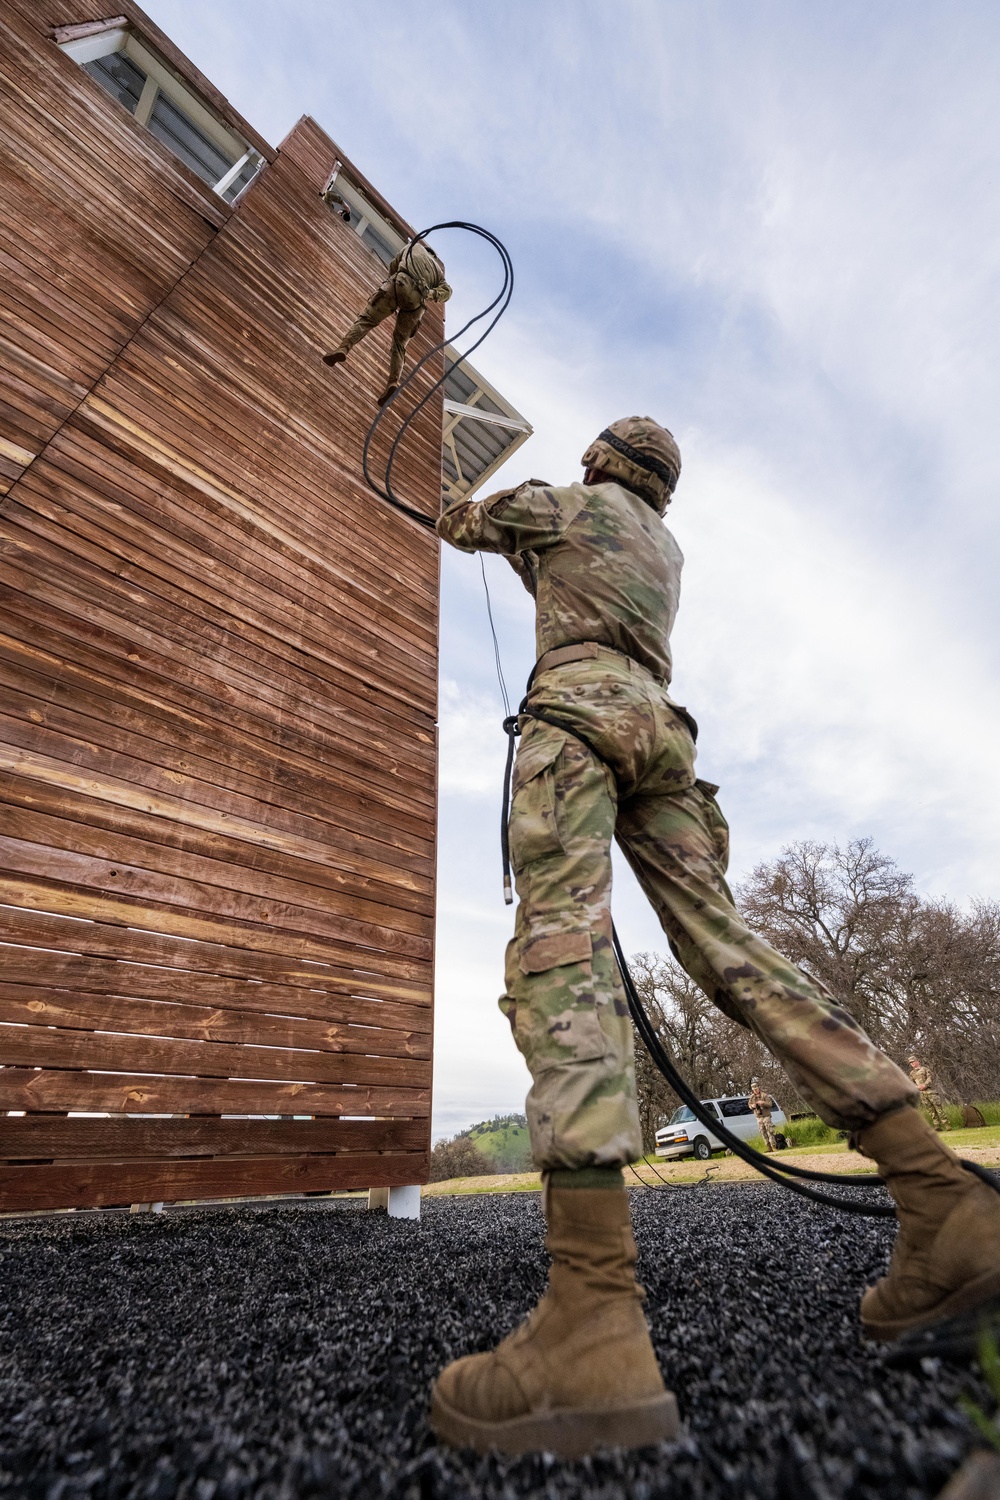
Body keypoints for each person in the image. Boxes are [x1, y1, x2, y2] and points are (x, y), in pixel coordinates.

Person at [431, 417, 1000, 1458]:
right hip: (666, 738)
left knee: (562, 949)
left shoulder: (563, 503)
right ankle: (939, 1199)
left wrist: (452, 489)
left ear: (601, 461)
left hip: (581, 719)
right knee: (734, 954)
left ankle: (591, 1321)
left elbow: (458, 515)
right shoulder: (663, 544)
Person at [323, 238, 451, 405]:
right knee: (399, 344)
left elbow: (393, 265)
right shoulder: (438, 273)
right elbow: (447, 292)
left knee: (367, 320)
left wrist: (393, 291)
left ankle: (343, 349)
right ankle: (393, 381)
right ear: (434, 257)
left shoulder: (413, 247)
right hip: (417, 301)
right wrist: (431, 294)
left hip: (400, 282)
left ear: (426, 250)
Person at [909, 1054, 950, 1132]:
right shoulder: (912, 1073)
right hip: (922, 1094)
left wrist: (925, 1085)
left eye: (913, 1062)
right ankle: (937, 1126)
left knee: (939, 1109)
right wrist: (917, 1087)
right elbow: (911, 1082)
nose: (912, 1064)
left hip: (931, 1092)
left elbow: (930, 1078)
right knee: (930, 1111)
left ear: (917, 1061)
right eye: (911, 1063)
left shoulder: (925, 1069)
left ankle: (947, 1124)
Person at [748, 1077, 779, 1151]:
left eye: (756, 1088)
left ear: (759, 1088)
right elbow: (749, 1105)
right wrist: (752, 1106)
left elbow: (770, 1104)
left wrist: (763, 1103)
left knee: (770, 1131)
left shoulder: (764, 1095)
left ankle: (774, 1146)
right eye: (753, 1089)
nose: (755, 1090)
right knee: (763, 1132)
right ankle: (768, 1147)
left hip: (766, 1116)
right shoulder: (752, 1097)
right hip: (759, 1117)